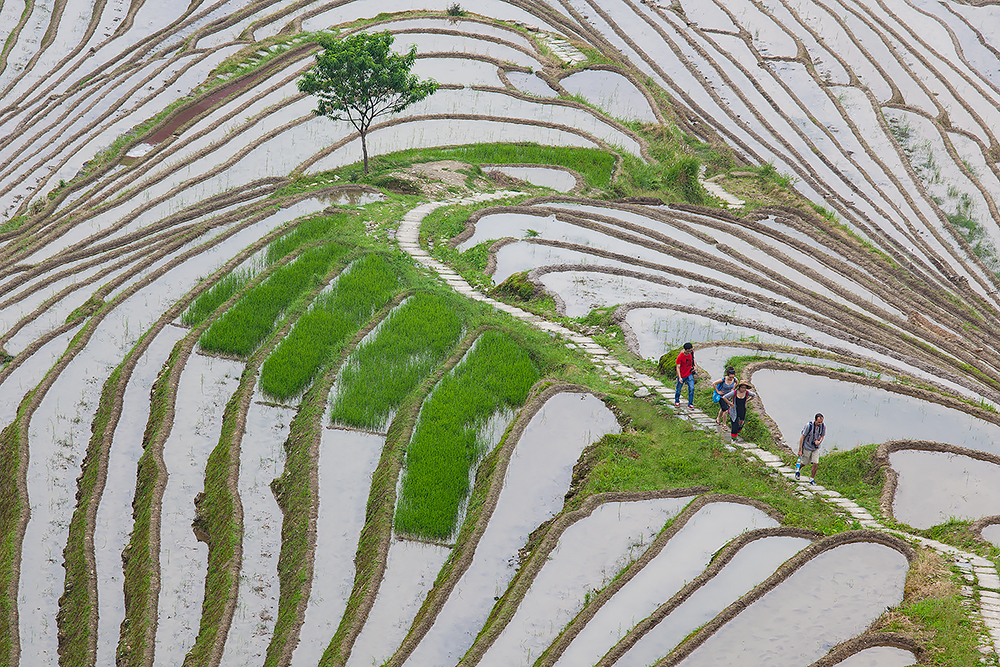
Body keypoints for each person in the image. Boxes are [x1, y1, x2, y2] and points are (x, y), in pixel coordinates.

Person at [796, 413, 826, 485]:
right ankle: (798, 469)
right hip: (807, 447)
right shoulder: (808, 426)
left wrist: (819, 442)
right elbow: (802, 437)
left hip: (816, 448)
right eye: (818, 422)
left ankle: (812, 479)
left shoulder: (823, 426)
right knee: (805, 462)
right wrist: (800, 450)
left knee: (815, 463)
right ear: (815, 420)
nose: (820, 424)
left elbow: (822, 436)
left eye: (821, 422)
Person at [674, 342, 696, 409]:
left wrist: (695, 366)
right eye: (688, 350)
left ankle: (690, 403)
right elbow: (677, 367)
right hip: (682, 375)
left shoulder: (691, 352)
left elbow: (693, 359)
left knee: (692, 388)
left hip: (689, 374)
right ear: (686, 350)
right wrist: (680, 377)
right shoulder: (680, 356)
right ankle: (677, 401)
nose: (689, 352)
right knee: (678, 389)